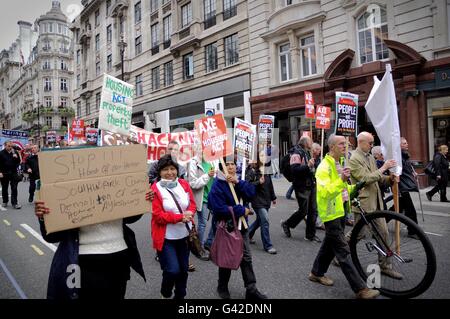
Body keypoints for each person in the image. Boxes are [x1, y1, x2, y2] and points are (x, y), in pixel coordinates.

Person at [34, 142, 152, 299]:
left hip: (119, 257)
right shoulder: (63, 191)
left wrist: (141, 199)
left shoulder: (114, 180)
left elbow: (130, 218)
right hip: (85, 262)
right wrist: (44, 218)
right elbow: (51, 237)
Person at [309, 134, 380, 299]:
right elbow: (326, 192)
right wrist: (342, 180)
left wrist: (356, 187)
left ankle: (316, 272)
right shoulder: (323, 167)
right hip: (330, 214)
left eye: (346, 143)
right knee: (343, 251)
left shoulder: (338, 163)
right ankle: (361, 289)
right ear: (332, 147)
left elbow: (341, 190)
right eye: (341, 144)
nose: (345, 146)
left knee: (328, 245)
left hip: (340, 211)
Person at [208, 157, 268, 300]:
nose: (230, 167)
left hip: (242, 226)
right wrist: (241, 210)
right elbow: (217, 208)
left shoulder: (239, 180)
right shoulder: (218, 184)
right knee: (227, 257)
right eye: (227, 164)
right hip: (226, 227)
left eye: (232, 164)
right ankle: (222, 286)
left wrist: (238, 183)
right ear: (222, 168)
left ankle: (251, 289)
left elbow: (251, 193)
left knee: (246, 257)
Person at [348, 132, 402, 279]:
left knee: (383, 233)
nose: (372, 146)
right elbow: (365, 179)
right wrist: (384, 167)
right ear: (361, 142)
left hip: (377, 201)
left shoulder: (370, 157)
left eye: (372, 143)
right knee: (358, 234)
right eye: (370, 143)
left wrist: (389, 179)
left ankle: (384, 266)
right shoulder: (354, 159)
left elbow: (377, 179)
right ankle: (338, 254)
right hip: (364, 203)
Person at [151, 154, 197, 299]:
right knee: (172, 270)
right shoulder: (155, 188)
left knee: (183, 271)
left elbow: (192, 204)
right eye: (165, 169)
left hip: (184, 236)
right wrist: (179, 217)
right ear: (159, 171)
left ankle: (180, 296)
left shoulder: (183, 184)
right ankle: (165, 293)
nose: (170, 172)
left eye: (172, 169)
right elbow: (157, 216)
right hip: (166, 238)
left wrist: (190, 212)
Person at [281, 136, 321, 242]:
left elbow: (312, 167)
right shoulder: (296, 153)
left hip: (311, 184)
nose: (312, 143)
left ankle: (310, 235)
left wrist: (314, 164)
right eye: (311, 141)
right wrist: (308, 166)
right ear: (305, 142)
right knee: (303, 211)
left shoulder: (307, 152)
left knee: (313, 211)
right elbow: (295, 169)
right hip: (301, 186)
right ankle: (287, 224)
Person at [246, 151, 277, 254]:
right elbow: (247, 185)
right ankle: (268, 245)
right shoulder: (252, 171)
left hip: (266, 200)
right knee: (265, 220)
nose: (265, 157)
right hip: (257, 201)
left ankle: (247, 235)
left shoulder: (266, 170)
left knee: (260, 220)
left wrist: (273, 197)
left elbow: (270, 185)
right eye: (262, 156)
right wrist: (258, 182)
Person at [186, 150, 215, 260]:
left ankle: (208, 242)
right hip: (201, 198)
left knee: (216, 221)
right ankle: (200, 248)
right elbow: (193, 183)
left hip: (212, 197)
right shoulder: (194, 162)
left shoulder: (212, 161)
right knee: (202, 223)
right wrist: (207, 175)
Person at [396, 137, 420, 239]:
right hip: (402, 186)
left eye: (407, 143)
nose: (407, 145)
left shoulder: (405, 155)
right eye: (404, 143)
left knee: (397, 209)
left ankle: (381, 220)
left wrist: (413, 173)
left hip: (404, 186)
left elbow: (407, 168)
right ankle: (412, 231)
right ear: (399, 145)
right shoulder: (398, 157)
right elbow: (398, 172)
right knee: (411, 211)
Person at [0, 141, 22, 209]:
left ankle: (15, 203)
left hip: (13, 172)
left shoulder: (14, 152)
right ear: (5, 146)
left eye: (11, 146)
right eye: (8, 146)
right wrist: (0, 172)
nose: (10, 147)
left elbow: (19, 162)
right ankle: (5, 201)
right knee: (4, 188)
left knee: (14, 188)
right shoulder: (1, 153)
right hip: (4, 173)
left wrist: (16, 157)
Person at [311, 143, 325, 230]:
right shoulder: (310, 158)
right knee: (315, 205)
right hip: (313, 183)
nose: (320, 152)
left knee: (317, 204)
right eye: (319, 150)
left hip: (319, 182)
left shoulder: (319, 159)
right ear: (314, 150)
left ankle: (316, 221)